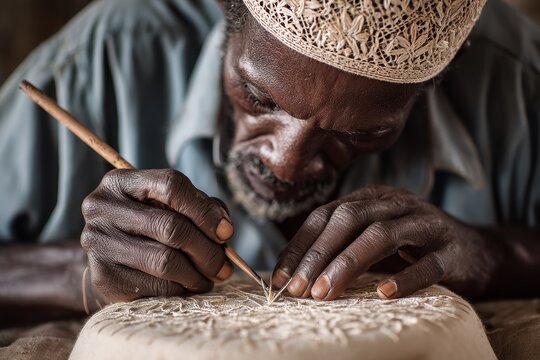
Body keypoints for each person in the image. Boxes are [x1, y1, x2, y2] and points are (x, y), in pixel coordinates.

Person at [0, 0, 539, 329]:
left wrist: (493, 254)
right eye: (259, 97)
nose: (286, 163)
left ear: (439, 79)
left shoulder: (517, 78)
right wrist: (77, 278)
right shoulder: (102, 60)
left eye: (360, 132)